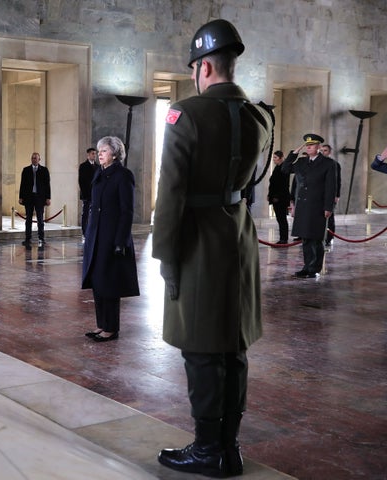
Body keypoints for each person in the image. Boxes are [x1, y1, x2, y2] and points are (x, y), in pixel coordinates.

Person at [151, 19, 273, 477]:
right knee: (233, 349)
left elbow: (172, 195)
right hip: (238, 242)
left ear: (203, 67)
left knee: (202, 350)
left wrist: (165, 256)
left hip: (198, 243)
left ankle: (208, 450)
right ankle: (229, 446)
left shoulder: (187, 115)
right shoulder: (258, 117)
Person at [81, 136, 139, 342]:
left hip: (112, 237)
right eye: (98, 151)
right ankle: (101, 324)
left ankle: (111, 328)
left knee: (110, 283)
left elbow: (127, 211)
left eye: (104, 150)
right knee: (97, 281)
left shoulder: (123, 176)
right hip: (96, 236)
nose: (99, 154)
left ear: (114, 153)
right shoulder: (100, 173)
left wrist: (120, 241)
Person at [281, 133, 336, 278]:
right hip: (303, 206)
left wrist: (328, 207)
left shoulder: (328, 163)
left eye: (312, 145)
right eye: (307, 145)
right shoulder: (300, 162)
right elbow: (285, 169)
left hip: (318, 206)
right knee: (305, 238)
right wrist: (294, 153)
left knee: (317, 239)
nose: (309, 147)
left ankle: (314, 269)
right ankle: (306, 266)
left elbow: (331, 187)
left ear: (318, 147)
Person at [18, 152, 51, 248]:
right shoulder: (26, 170)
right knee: (28, 219)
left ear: (39, 159)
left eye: (36, 158)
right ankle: (28, 238)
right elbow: (22, 185)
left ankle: (41, 238)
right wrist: (21, 197)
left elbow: (47, 185)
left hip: (40, 198)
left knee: (40, 219)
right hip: (29, 197)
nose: (34, 159)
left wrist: (48, 198)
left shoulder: (44, 170)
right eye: (32, 158)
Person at [267, 150, 291, 244]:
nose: (273, 160)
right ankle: (282, 238)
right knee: (279, 218)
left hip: (281, 198)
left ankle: (284, 239)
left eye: (275, 158)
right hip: (275, 197)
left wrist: (276, 196)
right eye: (273, 157)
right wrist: (270, 195)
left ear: (281, 158)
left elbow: (283, 185)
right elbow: (273, 183)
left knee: (282, 219)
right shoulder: (277, 167)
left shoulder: (284, 168)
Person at [321, 144, 340, 246]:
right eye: (322, 150)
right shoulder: (318, 163)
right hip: (320, 195)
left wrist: (337, 195)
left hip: (331, 195)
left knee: (330, 218)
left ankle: (329, 237)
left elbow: (337, 181)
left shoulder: (335, 164)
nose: (323, 152)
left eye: (325, 150)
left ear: (329, 152)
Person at [78, 147, 98, 240]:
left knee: (94, 214)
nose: (94, 155)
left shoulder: (98, 167)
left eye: (95, 153)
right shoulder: (83, 166)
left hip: (95, 195)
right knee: (85, 214)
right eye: (92, 153)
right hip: (87, 195)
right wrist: (85, 194)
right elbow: (81, 181)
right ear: (88, 155)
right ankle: (84, 233)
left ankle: (93, 232)